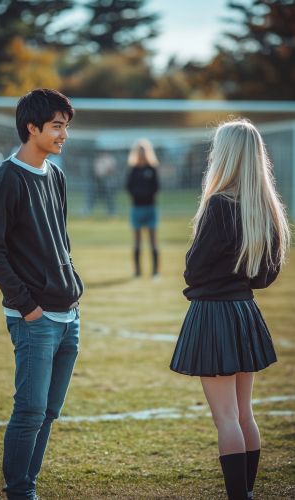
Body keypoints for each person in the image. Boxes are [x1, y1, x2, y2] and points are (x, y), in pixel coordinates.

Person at [170, 119, 290, 500]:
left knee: (227, 419)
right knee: (244, 414)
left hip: (216, 316)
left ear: (225, 155)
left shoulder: (218, 205)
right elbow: (264, 278)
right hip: (244, 313)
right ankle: (247, 495)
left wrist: (203, 283)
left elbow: (193, 268)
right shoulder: (265, 208)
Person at [0, 88, 84, 500]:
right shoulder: (6, 179)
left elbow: (60, 238)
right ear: (32, 127)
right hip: (35, 321)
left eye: (66, 127)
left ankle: (27, 486)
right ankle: (19, 492)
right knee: (29, 412)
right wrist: (29, 308)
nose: (64, 135)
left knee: (49, 413)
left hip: (69, 314)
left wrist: (72, 286)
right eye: (57, 126)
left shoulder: (56, 175)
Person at [126, 139, 160, 279]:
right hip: (136, 209)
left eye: (143, 150)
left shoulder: (152, 169)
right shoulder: (133, 170)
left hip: (150, 208)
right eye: (139, 151)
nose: (141, 153)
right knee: (137, 241)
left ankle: (155, 272)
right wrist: (138, 195)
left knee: (153, 241)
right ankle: (138, 272)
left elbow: (156, 187)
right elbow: (128, 187)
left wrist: (146, 194)